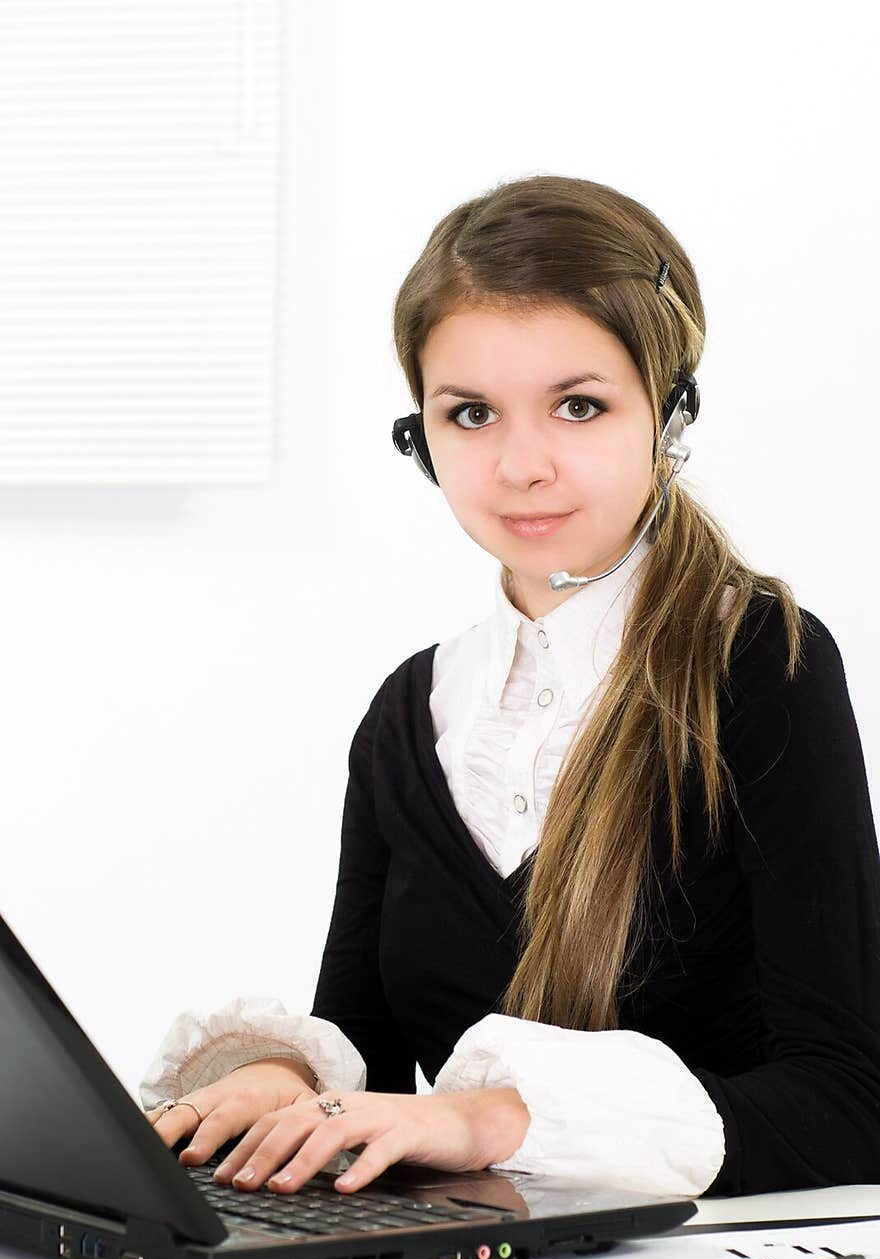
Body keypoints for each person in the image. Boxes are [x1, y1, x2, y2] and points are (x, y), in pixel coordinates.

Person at [141, 174, 880, 1201]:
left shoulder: (761, 663)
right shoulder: (411, 714)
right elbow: (372, 1056)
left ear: (669, 415)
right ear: (421, 437)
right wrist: (285, 1082)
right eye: (471, 413)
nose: (520, 464)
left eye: (578, 405)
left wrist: (491, 1116)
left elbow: (848, 1105)